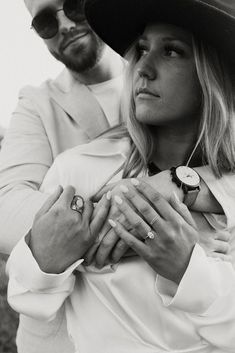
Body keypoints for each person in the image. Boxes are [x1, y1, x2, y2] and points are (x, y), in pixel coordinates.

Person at [6, 0, 235, 352]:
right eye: (141, 49)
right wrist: (140, 227)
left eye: (172, 51)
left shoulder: (224, 192)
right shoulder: (76, 167)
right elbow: (14, 228)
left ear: (213, 73)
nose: (142, 67)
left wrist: (183, 196)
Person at [0, 0, 124, 352]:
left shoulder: (171, 76)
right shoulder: (36, 103)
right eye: (44, 23)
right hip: (61, 340)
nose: (65, 25)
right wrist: (137, 221)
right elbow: (6, 207)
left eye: (74, 6)